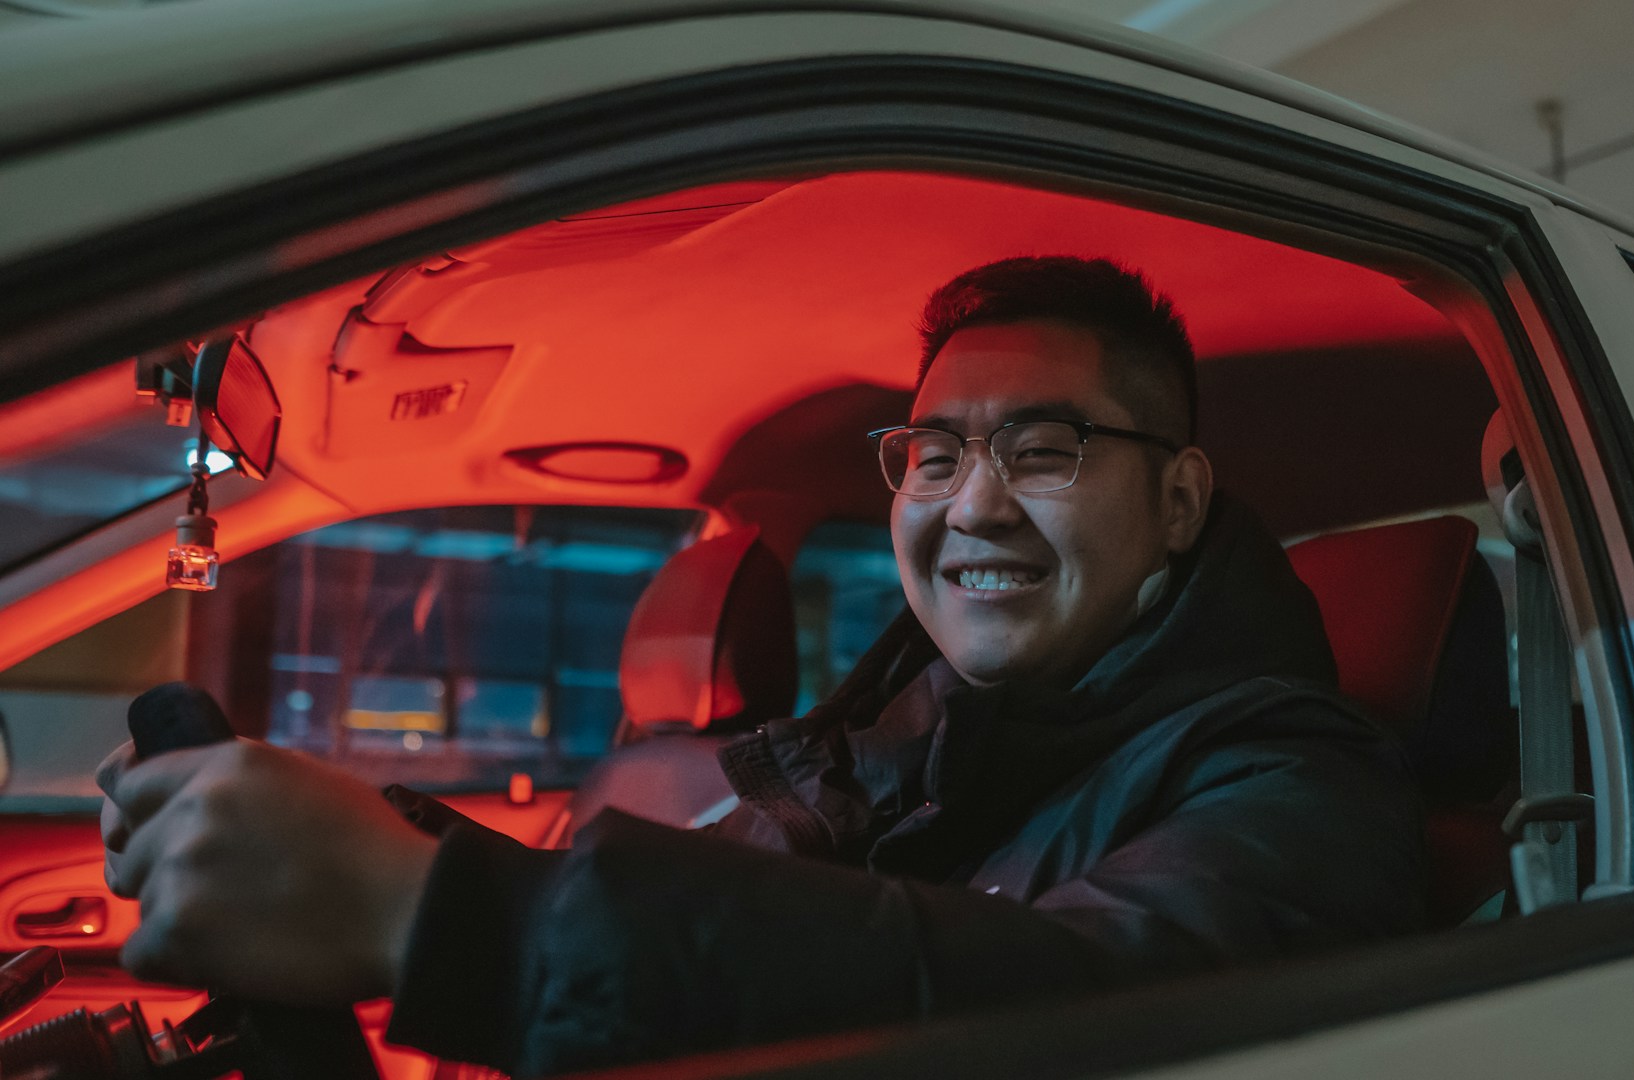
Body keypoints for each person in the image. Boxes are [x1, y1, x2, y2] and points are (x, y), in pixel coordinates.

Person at [97, 256, 1426, 1076]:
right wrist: (395, 846)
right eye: (936, 453)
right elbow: (794, 928)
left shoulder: (1302, 789)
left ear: (1183, 502)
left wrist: (446, 915)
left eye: (1043, 449)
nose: (972, 506)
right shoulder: (920, 733)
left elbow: (1094, 1006)